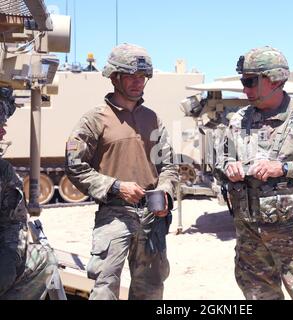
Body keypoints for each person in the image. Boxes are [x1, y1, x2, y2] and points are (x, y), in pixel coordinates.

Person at [216, 46, 293, 300]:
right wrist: (229, 167)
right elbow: (221, 160)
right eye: (243, 81)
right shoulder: (238, 119)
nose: (244, 89)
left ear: (275, 80)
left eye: (250, 82)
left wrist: (283, 168)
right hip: (249, 233)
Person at [65, 43, 178, 300]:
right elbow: (74, 166)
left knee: (151, 289)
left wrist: (166, 193)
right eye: (131, 76)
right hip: (114, 214)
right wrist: (116, 186)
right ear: (114, 77)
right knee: (105, 287)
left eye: (143, 77)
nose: (138, 83)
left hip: (152, 217)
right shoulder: (95, 120)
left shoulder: (153, 119)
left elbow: (169, 166)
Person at [0, 88, 58, 300]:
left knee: (43, 258)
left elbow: (12, 223)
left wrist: (9, 261)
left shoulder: (3, 171)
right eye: (0, 126)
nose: (3, 133)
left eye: (3, 126)